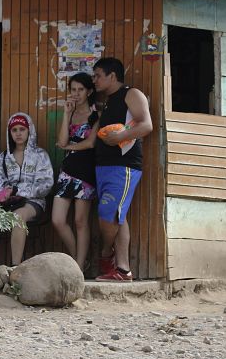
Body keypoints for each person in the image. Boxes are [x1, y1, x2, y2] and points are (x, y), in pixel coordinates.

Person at [91, 57, 152, 282]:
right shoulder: (107, 101)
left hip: (124, 166)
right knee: (118, 215)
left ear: (112, 76)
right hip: (103, 165)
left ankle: (107, 254)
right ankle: (123, 270)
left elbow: (147, 125)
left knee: (108, 214)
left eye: (98, 75)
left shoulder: (132, 93)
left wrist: (121, 136)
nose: (94, 80)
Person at [0, 113, 53, 266]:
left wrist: (16, 190)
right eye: (14, 130)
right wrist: (3, 193)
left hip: (33, 202)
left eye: (22, 129)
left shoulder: (40, 155)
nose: (18, 133)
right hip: (7, 203)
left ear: (29, 131)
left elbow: (45, 185)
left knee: (18, 216)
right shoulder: (3, 157)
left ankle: (15, 266)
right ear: (9, 133)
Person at [51, 73, 99, 272]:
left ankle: (79, 266)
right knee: (57, 220)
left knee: (80, 221)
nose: (77, 94)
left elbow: (91, 143)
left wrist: (70, 146)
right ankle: (77, 259)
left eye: (81, 90)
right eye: (73, 90)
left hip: (86, 171)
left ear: (89, 91)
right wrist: (66, 114)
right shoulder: (70, 114)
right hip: (68, 170)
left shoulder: (97, 114)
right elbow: (61, 142)